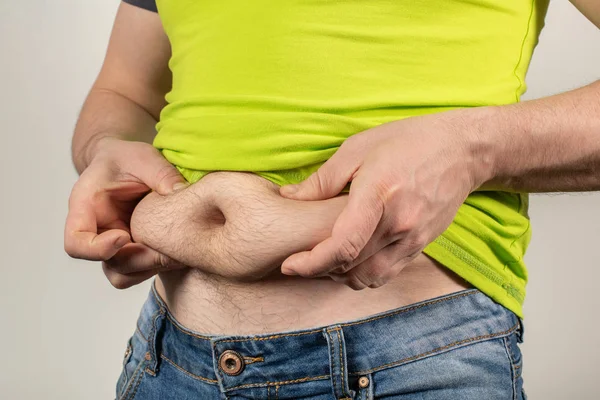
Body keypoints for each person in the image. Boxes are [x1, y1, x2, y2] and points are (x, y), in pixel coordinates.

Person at [64, 0, 600, 399]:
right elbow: (124, 90)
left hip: (410, 367)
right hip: (167, 362)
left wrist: (471, 151)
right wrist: (104, 148)